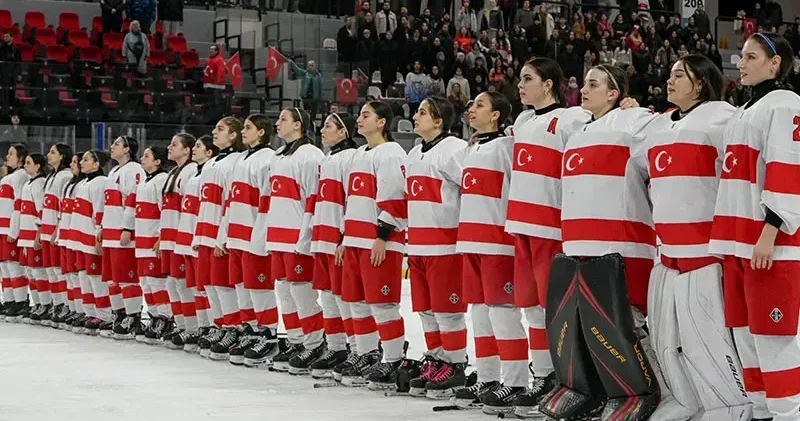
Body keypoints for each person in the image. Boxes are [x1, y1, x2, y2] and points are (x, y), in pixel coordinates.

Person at [538, 64, 662, 421]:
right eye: (583, 83)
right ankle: (597, 391)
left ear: (614, 93)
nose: (584, 89)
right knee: (586, 327)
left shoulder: (634, 121)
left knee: (628, 325)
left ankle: (647, 391)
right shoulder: (578, 131)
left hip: (621, 244)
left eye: (594, 84)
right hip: (578, 246)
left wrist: (638, 109)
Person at [709, 32, 800, 421]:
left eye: (750, 56)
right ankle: (763, 411)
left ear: (775, 63)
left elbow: (788, 170)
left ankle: (787, 414)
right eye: (741, 56)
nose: (740, 63)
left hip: (769, 244)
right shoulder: (744, 109)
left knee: (773, 337)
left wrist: (770, 232)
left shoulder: (785, 104)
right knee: (746, 336)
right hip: (737, 243)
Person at [504, 57, 592, 419]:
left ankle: (568, 379)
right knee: (530, 308)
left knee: (557, 310)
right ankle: (542, 376)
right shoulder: (523, 121)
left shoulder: (574, 118)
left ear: (550, 84)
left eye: (528, 79)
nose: (520, 85)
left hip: (552, 228)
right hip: (521, 226)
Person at [447, 92, 528, 415]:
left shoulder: (507, 147)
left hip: (498, 243)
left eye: (480, 105)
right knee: (480, 315)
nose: (471, 109)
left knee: (503, 314)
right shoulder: (471, 150)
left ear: (496, 115)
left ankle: (517, 381)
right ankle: (488, 377)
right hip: (470, 241)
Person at [338, 101, 408, 389]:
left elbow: (394, 196)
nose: (359, 118)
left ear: (382, 122)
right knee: (355, 302)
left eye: (366, 114)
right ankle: (365, 354)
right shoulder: (357, 155)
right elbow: (351, 201)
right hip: (354, 239)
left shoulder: (391, 152)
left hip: (379, 241)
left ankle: (393, 359)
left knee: (382, 304)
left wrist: (382, 236)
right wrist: (343, 239)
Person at [404, 96, 469, 398]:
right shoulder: (414, 152)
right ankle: (437, 359)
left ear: (439, 120)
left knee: (447, 311)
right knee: (426, 311)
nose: (415, 117)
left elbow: (470, 191)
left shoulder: (455, 149)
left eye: (422, 112)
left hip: (445, 245)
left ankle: (456, 365)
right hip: (417, 245)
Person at [265, 108, 325, 373]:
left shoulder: (311, 156)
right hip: (277, 236)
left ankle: (314, 344)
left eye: (283, 119)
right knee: (285, 294)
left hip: (298, 237)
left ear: (298, 125)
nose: (277, 123)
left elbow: (312, 200)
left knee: (303, 295)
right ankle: (295, 341)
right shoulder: (278, 156)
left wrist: (306, 237)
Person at [217, 114, 278, 366]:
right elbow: (230, 201)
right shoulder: (241, 159)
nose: (243, 131)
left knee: (259, 288)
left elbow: (267, 203)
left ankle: (268, 334)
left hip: (255, 237)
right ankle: (250, 330)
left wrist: (261, 237)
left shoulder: (268, 159)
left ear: (261, 132)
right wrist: (224, 234)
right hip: (237, 236)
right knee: (242, 287)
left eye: (248, 127)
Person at [308, 112, 359, 379]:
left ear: (343, 132)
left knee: (343, 297)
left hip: (337, 238)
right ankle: (337, 348)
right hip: (321, 237)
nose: (323, 129)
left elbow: (352, 200)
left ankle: (356, 349)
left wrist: (345, 237)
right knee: (328, 296)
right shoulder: (326, 159)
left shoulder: (350, 158)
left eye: (328, 125)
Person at [194, 117, 246, 359]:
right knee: (211, 284)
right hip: (205, 232)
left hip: (220, 233)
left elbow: (230, 202)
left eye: (221, 129)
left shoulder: (237, 162)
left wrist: (222, 235)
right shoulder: (212, 162)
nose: (215, 132)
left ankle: (233, 328)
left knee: (225, 285)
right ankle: (219, 324)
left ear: (234, 135)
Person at [174, 135, 218, 351]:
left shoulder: (202, 174)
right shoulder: (194, 174)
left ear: (209, 152)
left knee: (206, 286)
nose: (195, 150)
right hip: (188, 232)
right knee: (194, 285)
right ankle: (201, 327)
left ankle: (211, 327)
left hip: (199, 235)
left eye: (199, 147)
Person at [101, 136, 145, 338]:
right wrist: (101, 227)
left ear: (127, 149)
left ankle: (133, 316)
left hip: (122, 232)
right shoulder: (113, 171)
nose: (112, 146)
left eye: (117, 143)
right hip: (110, 231)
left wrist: (127, 227)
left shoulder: (134, 169)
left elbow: (133, 200)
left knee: (127, 278)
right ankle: (118, 313)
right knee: (112, 279)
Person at [161, 134, 199, 348]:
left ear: (187, 150)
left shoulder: (191, 172)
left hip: (182, 236)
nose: (169, 147)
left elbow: (189, 210)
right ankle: (183, 325)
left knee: (185, 283)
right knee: (173, 283)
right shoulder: (175, 172)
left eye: (174, 144)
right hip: (170, 237)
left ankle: (192, 329)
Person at [133, 147, 172, 344]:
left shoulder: (161, 180)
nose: (142, 158)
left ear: (158, 161)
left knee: (157, 281)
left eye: (147, 156)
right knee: (146, 281)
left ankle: (166, 318)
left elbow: (165, 210)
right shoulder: (145, 181)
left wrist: (161, 236)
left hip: (153, 239)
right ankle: (155, 315)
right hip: (141, 238)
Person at [72, 150, 113, 336]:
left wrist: (99, 233)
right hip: (79, 237)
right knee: (83, 277)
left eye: (86, 159)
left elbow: (100, 210)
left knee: (95, 278)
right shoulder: (83, 183)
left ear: (97, 164)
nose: (82, 162)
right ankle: (90, 313)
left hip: (90, 237)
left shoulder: (100, 182)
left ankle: (104, 315)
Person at [41, 144, 74, 326]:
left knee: (60, 271)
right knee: (51, 271)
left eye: (53, 152)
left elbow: (63, 208)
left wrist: (57, 230)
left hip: (56, 230)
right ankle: (57, 304)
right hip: (46, 229)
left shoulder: (65, 176)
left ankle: (66, 305)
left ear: (62, 156)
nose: (49, 155)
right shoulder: (52, 176)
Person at [11, 154, 45, 324]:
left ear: (38, 166)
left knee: (38, 271)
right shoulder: (28, 183)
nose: (25, 165)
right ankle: (37, 303)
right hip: (26, 234)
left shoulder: (39, 184)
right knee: (30, 271)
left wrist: (39, 232)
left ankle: (45, 304)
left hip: (33, 233)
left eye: (29, 163)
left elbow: (40, 210)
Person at [0, 144, 30, 321]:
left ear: (20, 158)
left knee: (13, 265)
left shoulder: (20, 176)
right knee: (4, 266)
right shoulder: (11, 176)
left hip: (10, 228)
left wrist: (14, 229)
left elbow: (19, 205)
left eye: (11, 154)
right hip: (2, 227)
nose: (7, 156)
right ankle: (10, 300)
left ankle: (20, 301)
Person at [56, 154, 85, 330]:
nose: (75, 165)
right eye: (74, 161)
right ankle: (73, 308)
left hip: (76, 234)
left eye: (78, 162)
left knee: (78, 274)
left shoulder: (82, 185)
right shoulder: (71, 184)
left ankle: (83, 310)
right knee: (68, 274)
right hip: (65, 233)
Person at [290, 61, 323, 129]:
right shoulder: (305, 73)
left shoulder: (318, 75)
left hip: (315, 96)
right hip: (306, 95)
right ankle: (306, 125)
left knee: (313, 113)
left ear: (315, 66)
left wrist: (320, 96)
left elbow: (321, 86)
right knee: (306, 111)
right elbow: (297, 70)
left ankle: (312, 126)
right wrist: (292, 63)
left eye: (312, 65)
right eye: (309, 65)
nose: (311, 67)